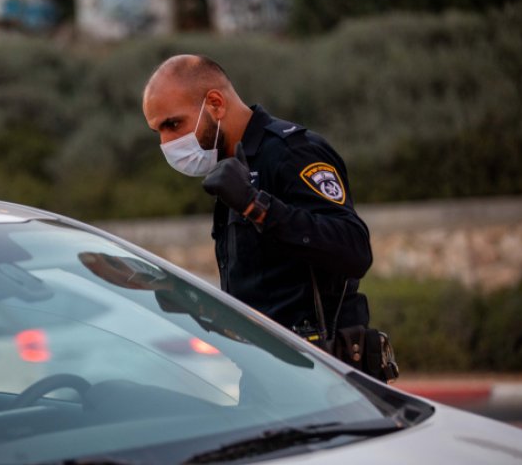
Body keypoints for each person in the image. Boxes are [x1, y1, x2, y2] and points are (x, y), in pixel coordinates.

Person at [142, 54, 373, 342]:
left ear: (215, 104)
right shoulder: (232, 168)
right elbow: (262, 294)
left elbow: (355, 250)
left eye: (173, 124)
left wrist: (258, 207)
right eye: (158, 132)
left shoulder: (291, 152)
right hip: (263, 365)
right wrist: (192, 302)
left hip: (318, 370)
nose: (166, 143)